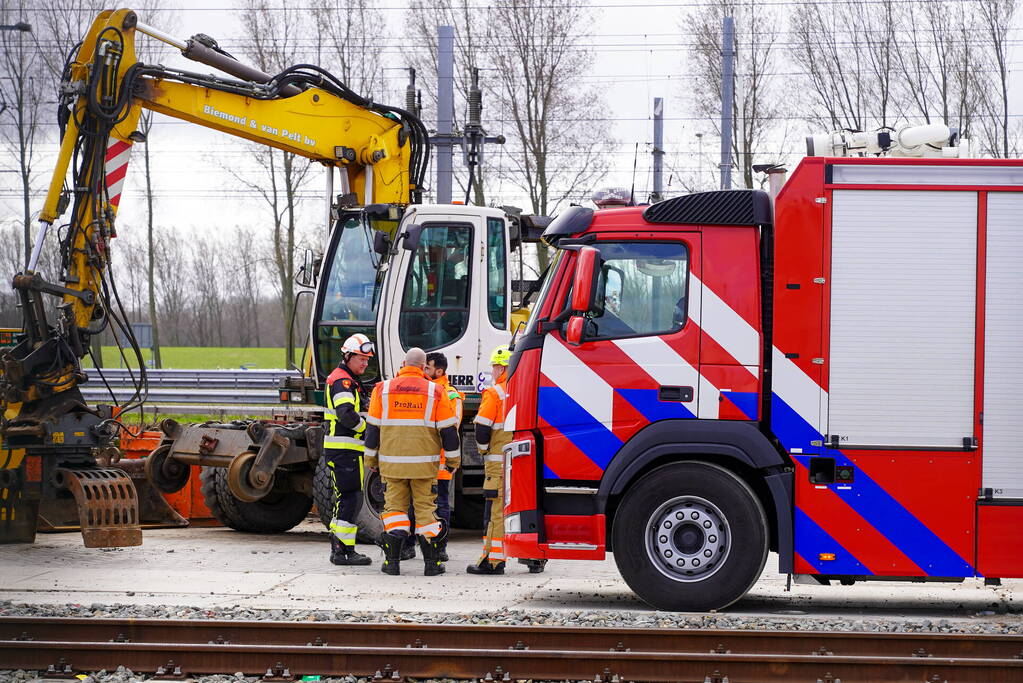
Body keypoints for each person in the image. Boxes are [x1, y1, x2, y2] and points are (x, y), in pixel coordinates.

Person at [364, 347, 461, 576]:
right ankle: (431, 564)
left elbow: (372, 429)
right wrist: (453, 461)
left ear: (403, 364)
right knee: (426, 512)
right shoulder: (436, 391)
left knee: (395, 511)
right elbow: (448, 431)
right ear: (422, 367)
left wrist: (371, 458)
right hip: (424, 467)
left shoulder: (382, 390)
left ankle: (392, 563)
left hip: (392, 465)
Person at [322, 333, 375, 566]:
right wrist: (367, 430)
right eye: (361, 358)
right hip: (344, 450)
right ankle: (343, 551)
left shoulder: (346, 379)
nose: (365, 363)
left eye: (367, 359)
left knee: (347, 498)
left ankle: (340, 548)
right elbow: (346, 415)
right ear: (348, 356)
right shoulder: (342, 381)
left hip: (345, 451)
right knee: (351, 498)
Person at [425, 351, 463, 561]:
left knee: (440, 504)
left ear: (439, 371)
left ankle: (440, 547)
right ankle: (417, 544)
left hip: (440, 461)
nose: (424, 371)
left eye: (428, 368)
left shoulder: (450, 394)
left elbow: (453, 425)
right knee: (421, 504)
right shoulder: (427, 390)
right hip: (424, 459)